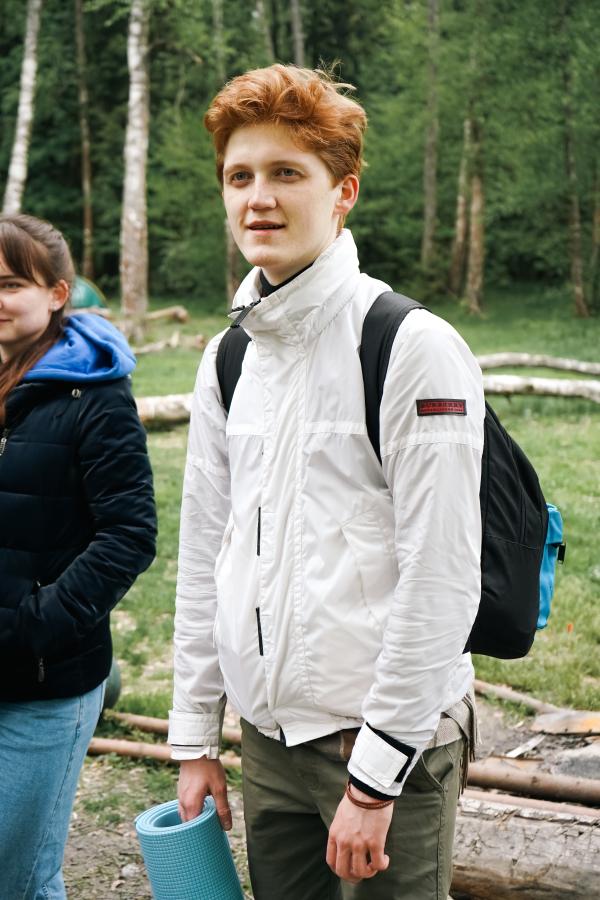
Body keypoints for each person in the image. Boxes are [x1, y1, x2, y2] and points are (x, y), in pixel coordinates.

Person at [168, 64, 485, 900]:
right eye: (240, 176)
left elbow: (443, 577)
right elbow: (205, 554)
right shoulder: (228, 357)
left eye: (286, 173)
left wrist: (375, 782)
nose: (258, 199)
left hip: (384, 747)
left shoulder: (412, 345)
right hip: (268, 742)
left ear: (343, 192)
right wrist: (195, 737)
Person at [0, 214, 157, 900]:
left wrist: (34, 627)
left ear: (58, 293)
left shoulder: (95, 397)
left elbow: (129, 534)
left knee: (18, 876)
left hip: (43, 682)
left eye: (10, 284)